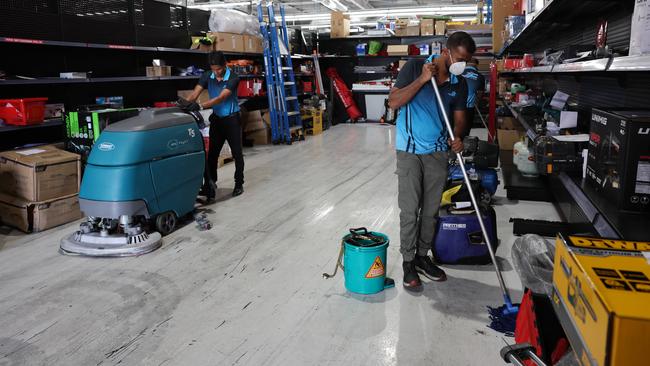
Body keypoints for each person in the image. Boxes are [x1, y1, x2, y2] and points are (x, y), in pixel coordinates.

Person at [388, 31, 476, 292]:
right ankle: (407, 261)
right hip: (410, 151)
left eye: (467, 60)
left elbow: (459, 119)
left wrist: (458, 137)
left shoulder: (458, 83)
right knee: (410, 208)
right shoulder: (416, 66)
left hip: (438, 153)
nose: (462, 63)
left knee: (431, 210)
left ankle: (422, 256)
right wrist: (423, 80)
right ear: (446, 51)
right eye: (459, 58)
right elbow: (394, 102)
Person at [183, 51, 244, 199]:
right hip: (217, 120)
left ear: (225, 65)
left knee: (237, 154)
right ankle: (211, 184)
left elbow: (221, 98)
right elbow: (194, 94)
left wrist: (201, 106)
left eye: (219, 69)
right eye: (213, 69)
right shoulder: (207, 76)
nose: (216, 72)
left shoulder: (233, 78)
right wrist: (185, 105)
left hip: (232, 120)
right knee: (212, 155)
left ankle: (238, 184)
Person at [461, 58, 486, 137]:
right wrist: (477, 102)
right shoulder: (480, 76)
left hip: (455, 106)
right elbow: (480, 93)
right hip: (469, 107)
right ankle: (465, 144)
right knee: (467, 128)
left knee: (455, 126)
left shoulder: (457, 73)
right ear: (476, 65)